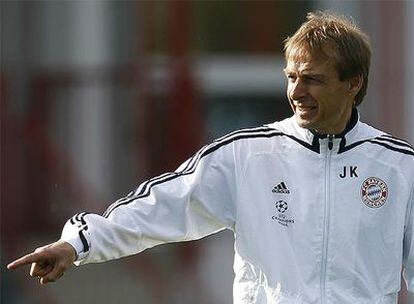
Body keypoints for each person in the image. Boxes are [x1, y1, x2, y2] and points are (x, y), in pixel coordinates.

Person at [8, 11, 414, 304]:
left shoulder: (399, 168)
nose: (297, 91)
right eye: (292, 76)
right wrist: (77, 244)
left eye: (314, 79)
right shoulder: (246, 155)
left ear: (353, 83)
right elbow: (161, 205)